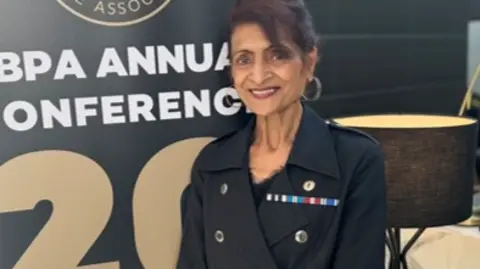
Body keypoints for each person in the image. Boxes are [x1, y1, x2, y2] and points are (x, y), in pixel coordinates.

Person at [176, 0, 387, 268]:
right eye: (244, 59)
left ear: (308, 63)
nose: (259, 75)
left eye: (278, 55)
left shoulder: (354, 160)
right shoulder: (212, 164)